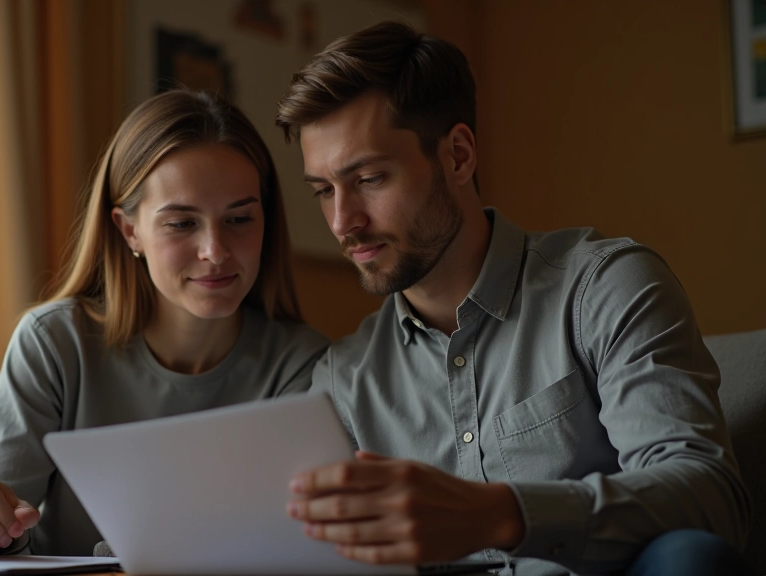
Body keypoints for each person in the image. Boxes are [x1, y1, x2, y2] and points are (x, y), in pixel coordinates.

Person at [275, 21, 754, 576]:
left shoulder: (604, 288)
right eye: (323, 191)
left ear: (457, 156)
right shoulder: (342, 382)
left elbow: (711, 498)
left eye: (370, 178)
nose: (342, 221)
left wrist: (504, 514)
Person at [0, 89, 329, 558]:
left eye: (239, 218)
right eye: (181, 223)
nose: (215, 250)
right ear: (128, 229)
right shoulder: (56, 344)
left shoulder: (302, 363)